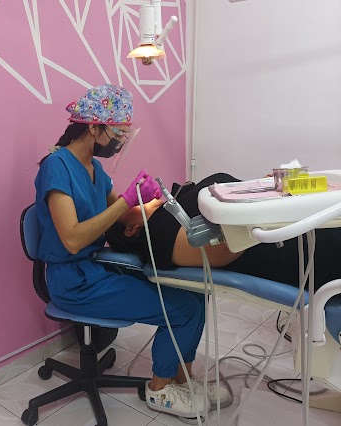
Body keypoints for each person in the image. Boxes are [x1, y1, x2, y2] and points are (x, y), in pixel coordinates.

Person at [34, 84, 230, 421]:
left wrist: (149, 201)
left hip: (96, 267)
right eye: (118, 133)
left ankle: (182, 378)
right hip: (72, 281)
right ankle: (160, 389)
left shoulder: (94, 169)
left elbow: (122, 216)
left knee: (196, 293)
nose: (120, 141)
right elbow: (73, 240)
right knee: (181, 309)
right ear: (93, 127)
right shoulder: (57, 166)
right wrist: (126, 200)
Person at [105, 173, 341, 292]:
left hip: (305, 224)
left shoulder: (171, 205)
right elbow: (224, 250)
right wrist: (263, 199)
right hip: (309, 253)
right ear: (131, 229)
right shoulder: (157, 237)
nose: (130, 198)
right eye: (127, 204)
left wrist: (264, 187)